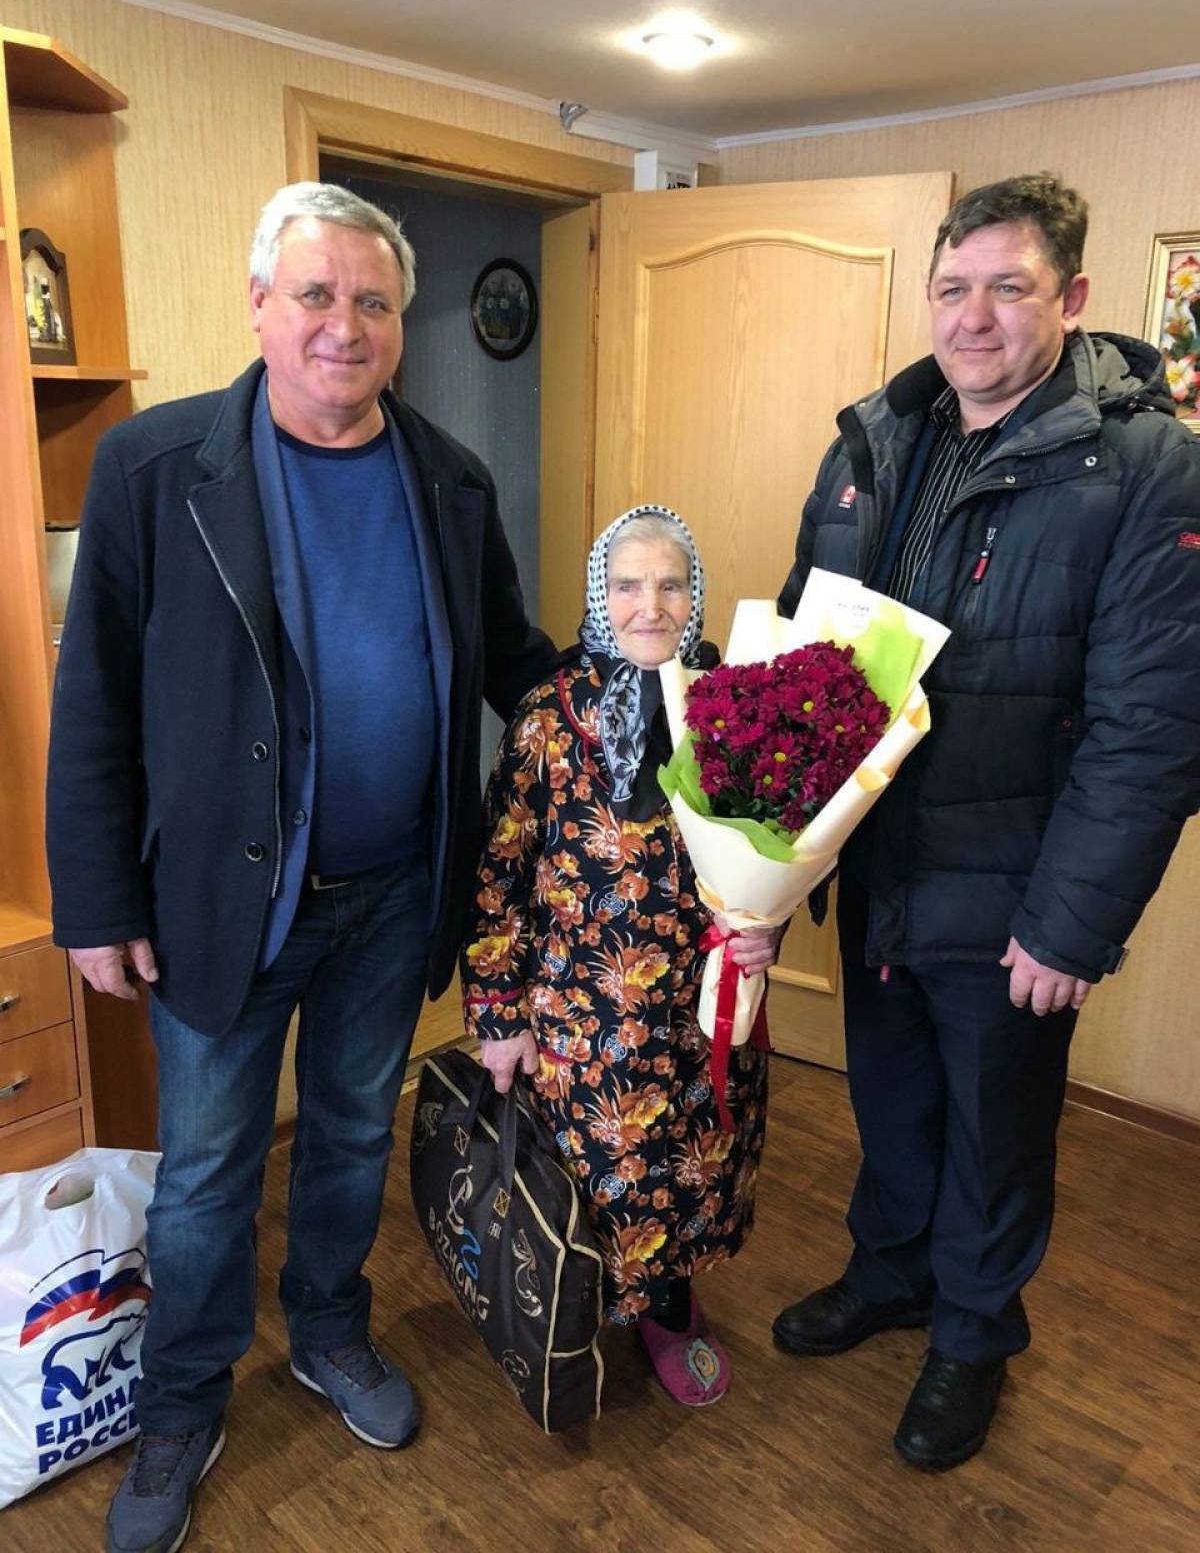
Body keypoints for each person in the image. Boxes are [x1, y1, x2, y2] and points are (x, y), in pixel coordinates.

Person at [45, 181, 555, 1553]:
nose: (345, 325)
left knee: (349, 1135)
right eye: (317, 295)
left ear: (398, 325)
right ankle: (181, 1401)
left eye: (373, 302)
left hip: (397, 894)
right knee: (208, 1169)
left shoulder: (451, 478)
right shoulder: (155, 469)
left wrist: (644, 701)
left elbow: (513, 658)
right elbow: (94, 702)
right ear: (260, 305)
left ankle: (329, 1331)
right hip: (223, 901)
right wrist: (94, 898)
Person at [774, 173, 1200, 1470]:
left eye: (1008, 288)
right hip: (880, 856)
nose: (973, 316)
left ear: (1071, 297)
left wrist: (1070, 924)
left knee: (995, 1131)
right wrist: (766, 857)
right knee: (893, 1097)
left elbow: (1154, 725)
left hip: (1013, 884)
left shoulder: (1145, 468)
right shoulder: (874, 439)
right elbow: (804, 650)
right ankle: (892, 1272)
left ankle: (972, 1332)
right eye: (953, 287)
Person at [460, 505, 778, 1406]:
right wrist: (497, 1012)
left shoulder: (732, 706)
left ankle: (670, 1308)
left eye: (671, 585)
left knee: (694, 1164)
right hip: (583, 1012)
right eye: (629, 585)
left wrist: (768, 927)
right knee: (592, 1176)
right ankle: (566, 1308)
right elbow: (499, 874)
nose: (652, 605)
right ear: (602, 596)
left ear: (695, 595)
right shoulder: (549, 717)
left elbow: (776, 845)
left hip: (706, 1000)